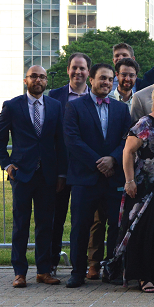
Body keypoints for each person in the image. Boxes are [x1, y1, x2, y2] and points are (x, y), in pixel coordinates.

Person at [105, 82, 154, 292]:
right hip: (145, 187)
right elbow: (128, 152)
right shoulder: (145, 124)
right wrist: (129, 181)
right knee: (143, 231)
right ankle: (143, 276)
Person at [0, 66, 66, 288]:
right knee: (20, 224)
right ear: (26, 80)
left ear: (46, 81)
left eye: (42, 77)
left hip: (48, 175)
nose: (38, 80)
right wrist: (7, 165)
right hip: (22, 174)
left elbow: (60, 142)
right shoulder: (12, 106)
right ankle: (20, 272)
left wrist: (61, 173)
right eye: (33, 76)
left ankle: (43, 271)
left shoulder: (55, 105)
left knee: (46, 224)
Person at [63, 64, 130, 289]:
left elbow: (126, 140)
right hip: (85, 178)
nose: (106, 83)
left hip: (113, 178)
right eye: (102, 78)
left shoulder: (121, 110)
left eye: (110, 79)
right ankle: (77, 272)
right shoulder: (75, 107)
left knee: (115, 226)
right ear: (91, 79)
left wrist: (112, 158)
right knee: (80, 227)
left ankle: (111, 269)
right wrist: (98, 163)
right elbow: (72, 140)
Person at [47, 53, 90, 276]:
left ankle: (84, 266)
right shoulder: (54, 97)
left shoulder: (97, 97)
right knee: (57, 218)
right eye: (74, 68)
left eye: (82, 68)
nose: (78, 72)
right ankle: (52, 262)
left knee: (83, 221)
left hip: (87, 170)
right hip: (61, 169)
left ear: (88, 72)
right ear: (68, 70)